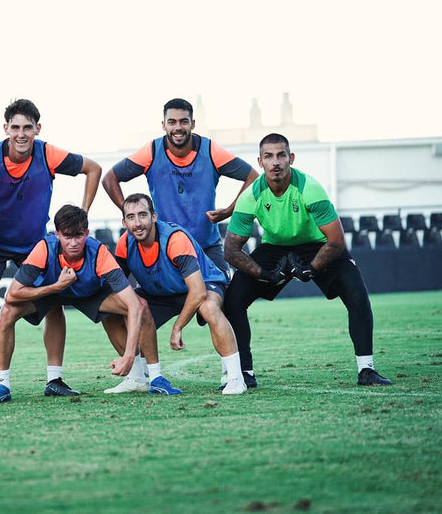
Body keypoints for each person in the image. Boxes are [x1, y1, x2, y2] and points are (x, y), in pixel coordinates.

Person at [222, 133, 392, 387]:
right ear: (260, 162)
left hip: (316, 245)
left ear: (291, 158)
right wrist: (264, 274)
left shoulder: (309, 188)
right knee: (233, 300)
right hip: (273, 247)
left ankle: (366, 369)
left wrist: (311, 268)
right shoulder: (250, 196)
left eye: (281, 155)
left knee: (357, 292)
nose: (275, 162)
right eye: (269, 156)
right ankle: (244, 373)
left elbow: (336, 241)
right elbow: (231, 250)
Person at [0, 98, 102, 400]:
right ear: (5, 129)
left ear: (37, 129)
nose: (21, 133)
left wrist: (82, 214)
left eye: (28, 127)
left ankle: (54, 379)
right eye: (15, 127)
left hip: (34, 242)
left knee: (55, 300)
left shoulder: (47, 154)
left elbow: (93, 169)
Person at [0, 204, 181, 405]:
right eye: (67, 236)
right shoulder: (44, 248)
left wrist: (129, 356)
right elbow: (12, 294)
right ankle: (3, 385)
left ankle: (155, 378)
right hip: (51, 289)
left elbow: (134, 306)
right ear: (57, 234)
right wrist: (56, 286)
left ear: (86, 233)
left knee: (142, 305)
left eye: (78, 236)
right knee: (7, 312)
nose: (73, 242)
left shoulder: (99, 252)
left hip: (90, 293)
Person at [106, 193, 247, 395]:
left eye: (143, 215)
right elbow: (117, 289)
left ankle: (235, 378)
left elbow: (197, 291)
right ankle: (138, 378)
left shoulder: (174, 239)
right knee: (112, 312)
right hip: (159, 293)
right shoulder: (124, 244)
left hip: (202, 285)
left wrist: (177, 327)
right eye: (131, 217)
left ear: (154, 216)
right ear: (124, 221)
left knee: (209, 307)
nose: (137, 223)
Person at [102, 98, 259, 276]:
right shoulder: (152, 152)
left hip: (207, 246)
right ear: (164, 125)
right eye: (172, 122)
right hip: (166, 248)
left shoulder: (210, 151)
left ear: (192, 124)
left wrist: (229, 211)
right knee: (163, 300)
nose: (178, 127)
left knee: (224, 300)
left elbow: (253, 177)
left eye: (184, 121)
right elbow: (109, 179)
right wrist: (133, 216)